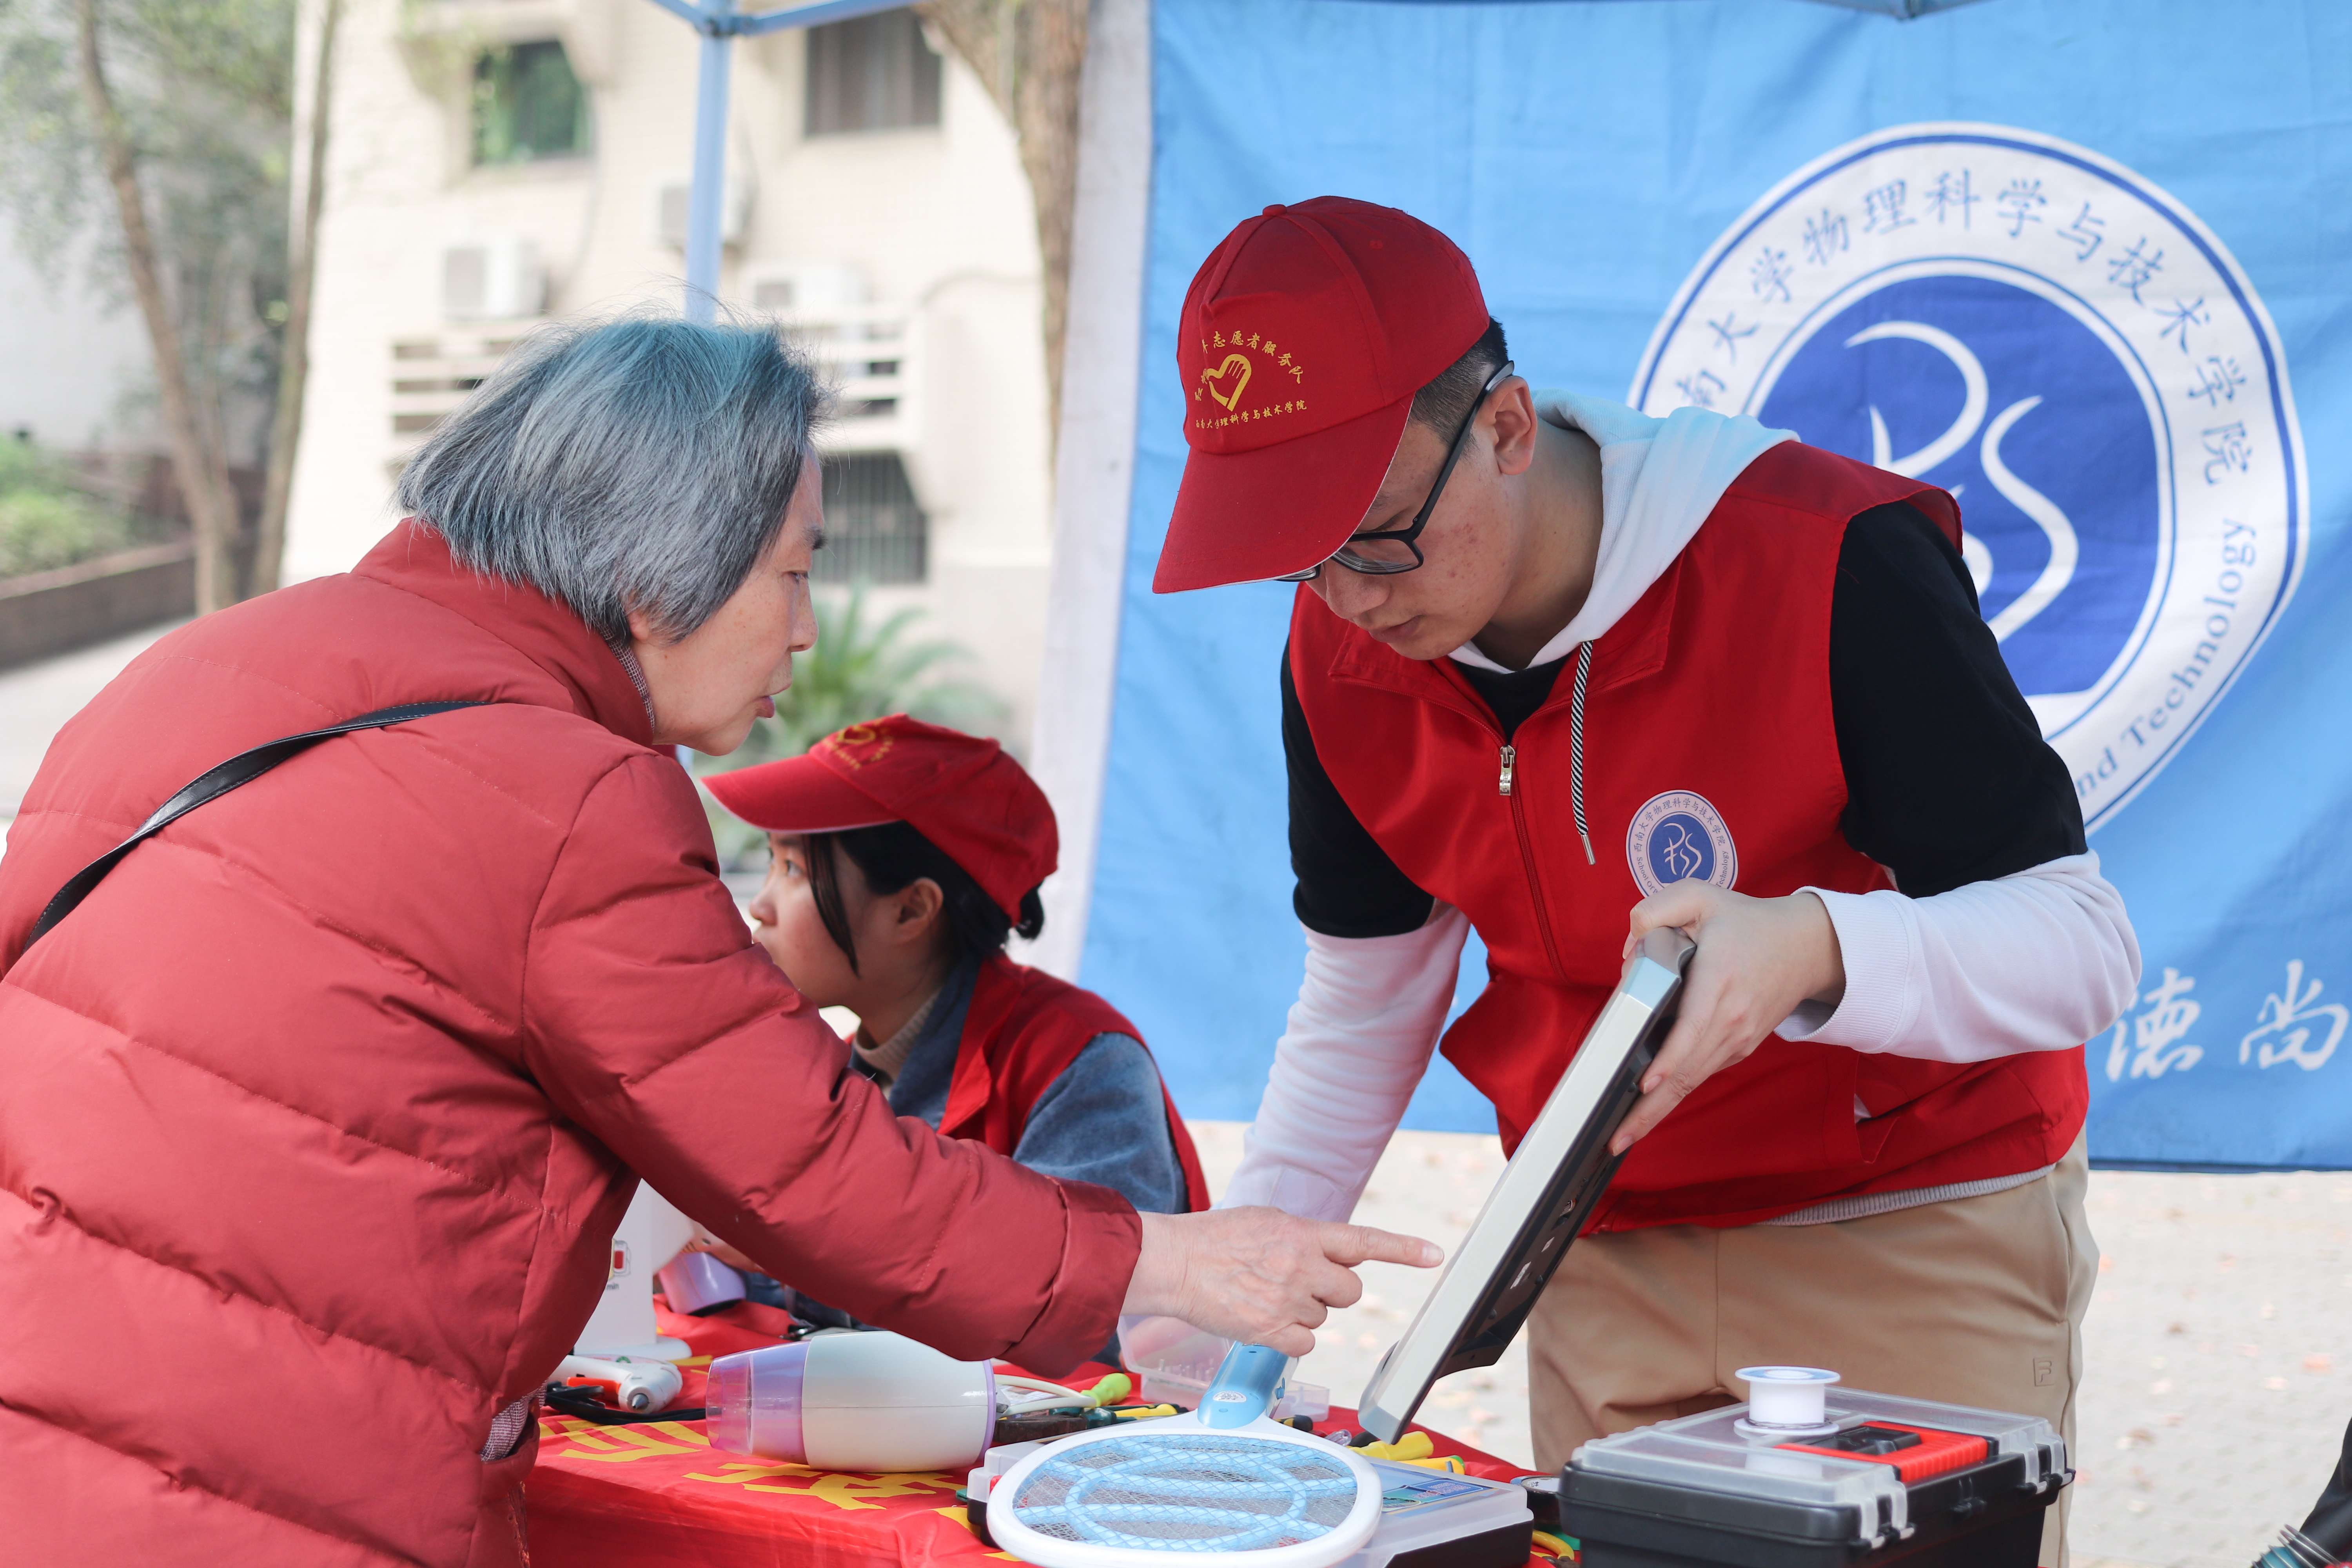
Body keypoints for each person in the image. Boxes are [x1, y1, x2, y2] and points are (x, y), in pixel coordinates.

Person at [0, 314, 1437, 1568]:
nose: (805, 631)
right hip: (257, 1486)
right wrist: (1168, 1264)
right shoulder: (568, 791)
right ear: (654, 576)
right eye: (794, 572)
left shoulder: (192, 670)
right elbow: (817, 1174)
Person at [1150, 199, 2140, 1564]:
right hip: (1603, 1252)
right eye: (1301, 558)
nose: (1353, 600)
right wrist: (1220, 1307)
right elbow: (1364, 1004)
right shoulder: (1341, 654)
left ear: (1505, 427)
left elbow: (2081, 944)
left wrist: (1814, 945)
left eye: (1374, 535)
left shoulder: (1821, 556)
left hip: (1913, 1223)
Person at [691, 714, 1208, 1321]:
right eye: (772, 863)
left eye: (795, 871)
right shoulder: (835, 1073)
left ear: (912, 911)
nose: (760, 905)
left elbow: (1076, 1309)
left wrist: (801, 1257)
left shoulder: (1083, 1068)